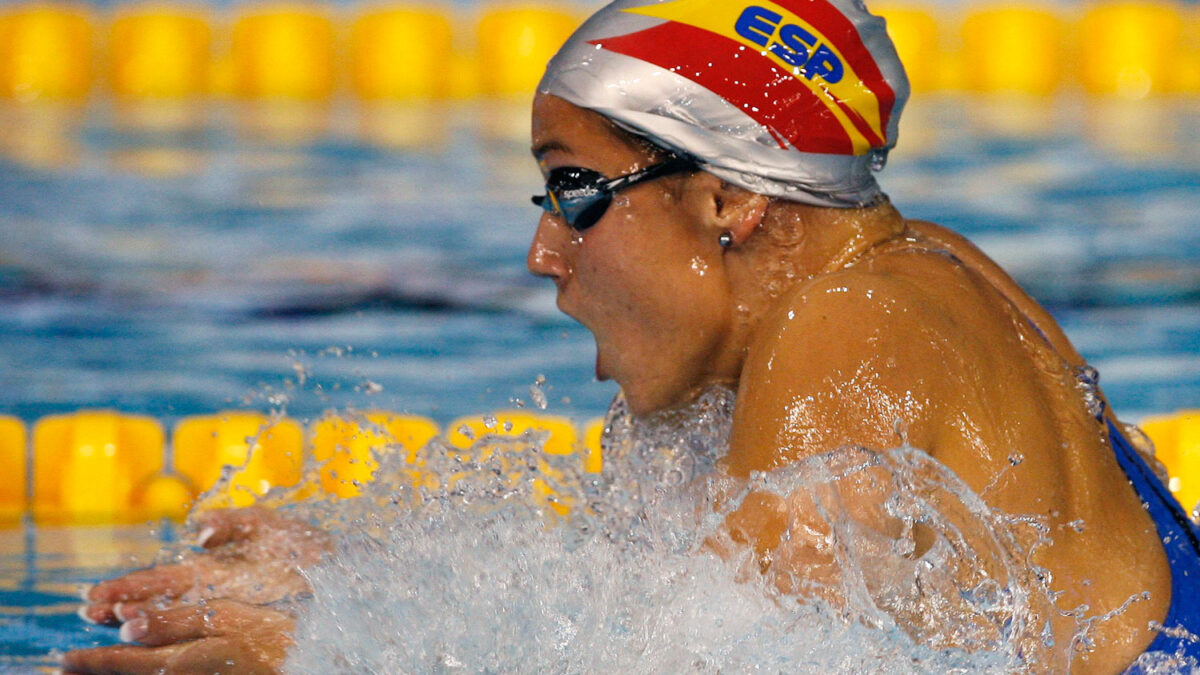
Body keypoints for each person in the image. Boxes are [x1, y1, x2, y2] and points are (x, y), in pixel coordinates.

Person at [65, 0, 1200, 673]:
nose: (545, 255)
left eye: (573, 192)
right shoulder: (933, 274)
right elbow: (692, 605)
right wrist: (362, 576)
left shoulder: (851, 324)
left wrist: (341, 650)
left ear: (730, 201)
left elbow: (732, 662)